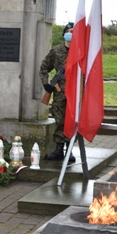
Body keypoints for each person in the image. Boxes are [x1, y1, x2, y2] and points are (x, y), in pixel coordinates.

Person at [40, 22, 75, 162]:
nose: (70, 34)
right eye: (68, 31)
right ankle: (59, 150)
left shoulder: (80, 51)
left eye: (73, 31)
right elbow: (43, 68)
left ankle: (69, 150)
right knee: (60, 120)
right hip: (60, 93)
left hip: (75, 94)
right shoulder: (56, 51)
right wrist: (46, 85)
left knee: (71, 121)